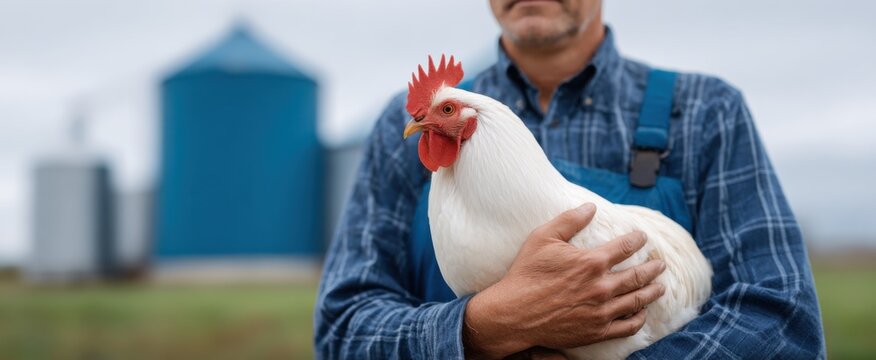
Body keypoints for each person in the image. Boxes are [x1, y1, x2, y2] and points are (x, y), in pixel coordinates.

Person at [314, 0, 825, 358]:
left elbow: (784, 324)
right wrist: (480, 328)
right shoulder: (399, 129)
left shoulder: (704, 113)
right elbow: (342, 329)